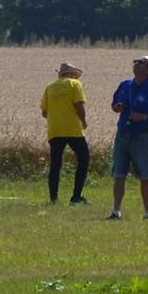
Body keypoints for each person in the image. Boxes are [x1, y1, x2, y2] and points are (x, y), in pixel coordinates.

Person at [108, 55, 148, 221]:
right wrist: (117, 107)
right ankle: (116, 211)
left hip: (142, 137)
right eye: (135, 62)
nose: (136, 65)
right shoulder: (125, 85)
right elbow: (114, 105)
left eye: (141, 63)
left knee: (145, 175)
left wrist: (144, 117)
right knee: (119, 174)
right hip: (122, 135)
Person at [40, 60, 91, 206]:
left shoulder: (49, 87)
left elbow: (44, 112)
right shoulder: (75, 84)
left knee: (56, 164)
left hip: (54, 130)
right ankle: (76, 197)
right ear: (73, 74)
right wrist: (83, 121)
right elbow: (79, 106)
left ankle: (54, 199)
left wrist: (57, 117)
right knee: (83, 159)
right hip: (73, 129)